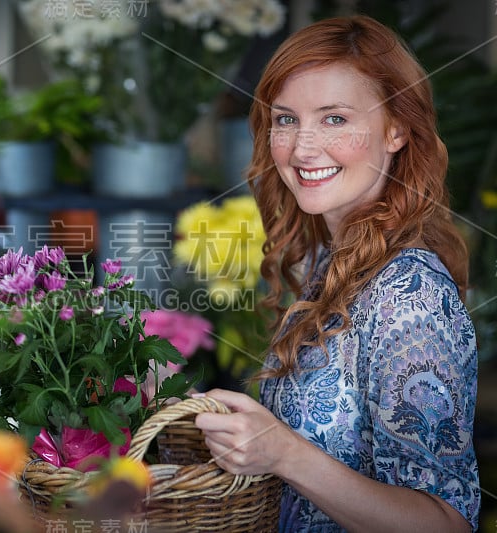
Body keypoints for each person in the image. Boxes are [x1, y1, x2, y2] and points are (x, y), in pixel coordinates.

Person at [193, 15, 480, 532]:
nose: (302, 148)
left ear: (396, 130)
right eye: (285, 119)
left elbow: (446, 524)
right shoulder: (334, 260)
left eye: (334, 119)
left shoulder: (409, 295)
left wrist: (285, 455)